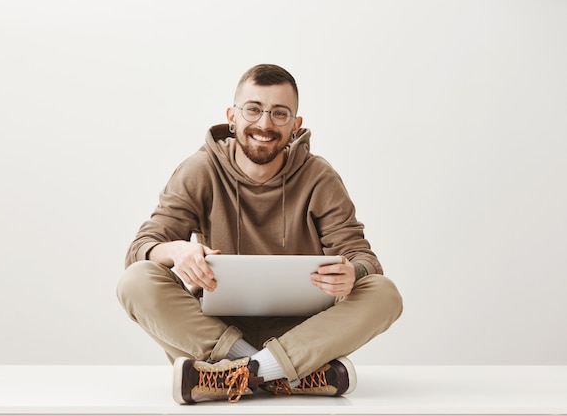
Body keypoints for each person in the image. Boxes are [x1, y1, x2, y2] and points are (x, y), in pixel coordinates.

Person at [117, 64, 403, 404]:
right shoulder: (200, 169)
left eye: (279, 114)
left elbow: (364, 259)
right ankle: (282, 375)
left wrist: (352, 273)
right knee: (136, 280)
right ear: (232, 116)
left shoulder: (319, 177)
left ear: (295, 126)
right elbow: (140, 249)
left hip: (304, 334)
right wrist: (177, 251)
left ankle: (233, 377)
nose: (265, 124)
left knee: (384, 293)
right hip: (214, 335)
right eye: (253, 109)